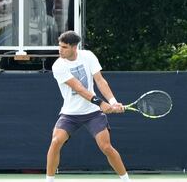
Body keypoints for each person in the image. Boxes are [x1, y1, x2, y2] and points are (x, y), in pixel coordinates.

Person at [46, 31, 131, 182]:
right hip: (70, 114)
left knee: (106, 147)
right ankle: (49, 180)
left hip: (92, 113)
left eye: (64, 47)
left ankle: (126, 180)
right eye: (59, 46)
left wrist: (112, 102)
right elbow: (78, 88)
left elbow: (100, 80)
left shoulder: (88, 56)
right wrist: (101, 103)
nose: (60, 50)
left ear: (74, 47)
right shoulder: (58, 65)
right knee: (55, 141)